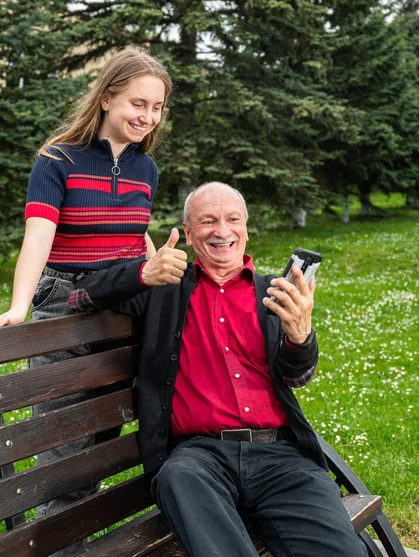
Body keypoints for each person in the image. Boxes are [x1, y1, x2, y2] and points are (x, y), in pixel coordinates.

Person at [68, 182, 368, 557]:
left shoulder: (273, 294)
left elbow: (298, 377)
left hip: (280, 459)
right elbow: (80, 297)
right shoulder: (164, 291)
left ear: (245, 228)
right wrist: (142, 272)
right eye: (207, 221)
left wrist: (300, 336)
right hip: (199, 458)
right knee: (179, 478)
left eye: (232, 220)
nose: (222, 231)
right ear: (189, 235)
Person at [0, 47, 172, 553]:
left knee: (105, 438)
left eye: (156, 108)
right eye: (138, 103)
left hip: (124, 307)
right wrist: (21, 307)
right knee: (64, 442)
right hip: (66, 303)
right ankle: (60, 546)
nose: (147, 117)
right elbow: (38, 238)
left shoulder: (146, 167)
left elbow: (134, 237)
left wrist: (156, 265)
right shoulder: (58, 160)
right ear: (107, 97)